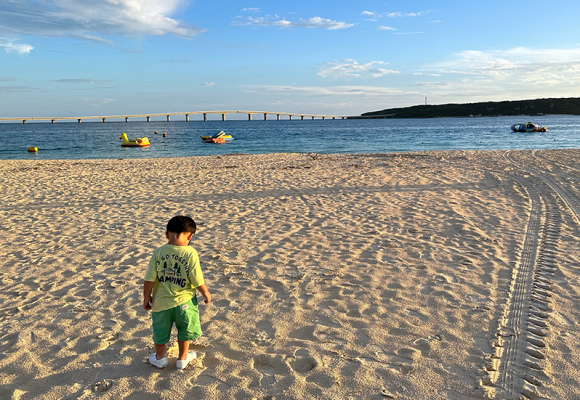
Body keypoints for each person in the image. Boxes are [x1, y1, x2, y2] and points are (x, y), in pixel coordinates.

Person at [143, 215, 211, 369]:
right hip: (184, 302)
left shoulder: (158, 252)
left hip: (160, 303)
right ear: (190, 236)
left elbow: (149, 279)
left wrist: (146, 297)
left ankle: (160, 358)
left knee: (160, 331)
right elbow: (196, 278)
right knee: (184, 329)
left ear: (167, 234)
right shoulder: (190, 252)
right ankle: (182, 358)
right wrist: (205, 293)